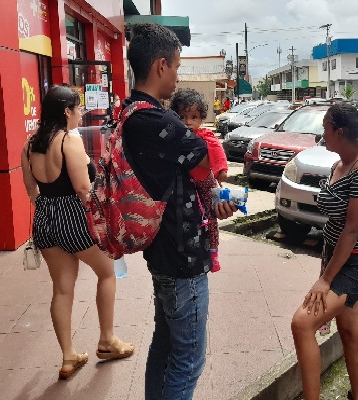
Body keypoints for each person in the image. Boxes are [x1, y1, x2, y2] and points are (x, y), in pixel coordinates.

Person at [123, 23, 236, 400]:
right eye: (176, 65)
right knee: (188, 360)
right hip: (181, 258)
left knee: (165, 345)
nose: (177, 74)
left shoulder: (129, 113)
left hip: (163, 252)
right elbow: (202, 163)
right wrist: (209, 183)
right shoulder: (156, 121)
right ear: (160, 66)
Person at [20, 85, 134, 380]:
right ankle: (107, 340)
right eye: (78, 108)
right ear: (66, 112)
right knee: (107, 273)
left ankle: (69, 356)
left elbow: (31, 190)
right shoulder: (68, 140)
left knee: (61, 289)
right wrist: (101, 218)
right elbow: (84, 188)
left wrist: (50, 209)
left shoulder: (30, 144)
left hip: (45, 218)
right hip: (75, 216)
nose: (81, 113)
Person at [290, 104, 358, 400]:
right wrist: (325, 271)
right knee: (349, 334)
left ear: (339, 132)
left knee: (302, 323)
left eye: (325, 129)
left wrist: (325, 281)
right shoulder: (338, 166)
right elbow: (335, 226)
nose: (322, 134)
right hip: (336, 259)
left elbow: (352, 232)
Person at [170, 88, 229, 272]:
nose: (188, 122)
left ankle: (213, 252)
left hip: (206, 183)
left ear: (201, 118)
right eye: (182, 117)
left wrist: (221, 170)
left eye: (194, 117)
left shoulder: (205, 136)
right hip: (189, 187)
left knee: (212, 218)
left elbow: (217, 151)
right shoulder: (174, 137)